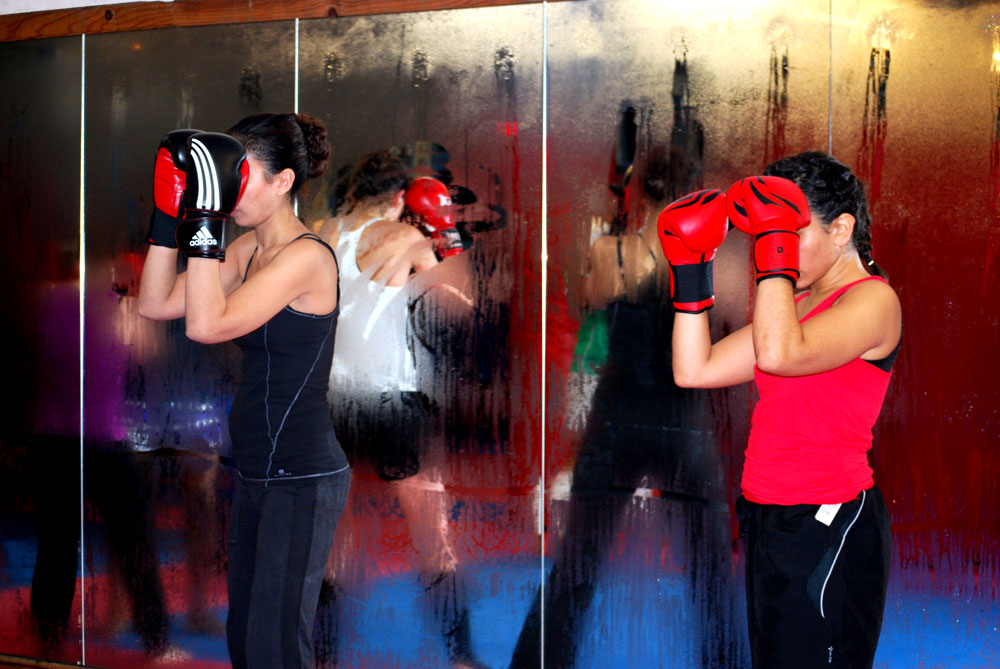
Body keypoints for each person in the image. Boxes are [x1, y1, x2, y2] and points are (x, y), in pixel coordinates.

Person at [662, 151, 901, 668]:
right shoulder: (797, 306)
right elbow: (694, 369)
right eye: (770, 238)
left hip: (829, 522)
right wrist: (691, 272)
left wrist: (775, 254)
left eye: (792, 233)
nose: (772, 250)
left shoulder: (873, 302)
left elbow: (780, 355)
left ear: (841, 230)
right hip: (771, 518)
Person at [137, 112, 350, 669]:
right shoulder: (247, 250)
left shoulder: (307, 256)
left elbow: (207, 325)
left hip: (301, 474)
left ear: (282, 183)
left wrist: (206, 216)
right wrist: (169, 218)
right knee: (247, 641)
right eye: (222, 176)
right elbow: (155, 304)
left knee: (276, 645)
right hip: (257, 468)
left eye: (239, 174)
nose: (228, 189)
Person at [313, 150, 485, 668]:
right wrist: (444, 234)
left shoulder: (321, 231)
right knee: (435, 539)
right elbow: (457, 304)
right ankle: (460, 656)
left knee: (333, 548)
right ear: (397, 198)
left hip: (332, 401)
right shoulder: (406, 239)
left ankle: (321, 657)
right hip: (391, 403)